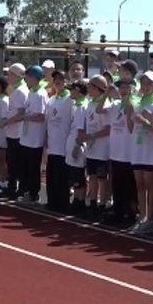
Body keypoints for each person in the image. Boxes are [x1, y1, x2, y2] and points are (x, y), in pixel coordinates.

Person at [128, 71, 153, 234]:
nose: (145, 86)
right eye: (143, 83)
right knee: (139, 184)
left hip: (151, 149)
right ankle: (142, 216)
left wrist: (146, 121)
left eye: (148, 84)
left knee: (151, 184)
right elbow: (131, 129)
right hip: (137, 148)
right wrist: (130, 115)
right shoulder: (137, 103)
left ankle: (150, 218)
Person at [106, 76, 138, 226]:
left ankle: (131, 214)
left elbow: (132, 129)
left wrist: (129, 106)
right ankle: (118, 211)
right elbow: (100, 109)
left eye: (127, 87)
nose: (123, 90)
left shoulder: (135, 104)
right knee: (117, 184)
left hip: (128, 153)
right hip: (115, 152)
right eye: (121, 87)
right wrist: (107, 93)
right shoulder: (115, 104)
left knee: (129, 186)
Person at [18, 65, 48, 203]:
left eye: (28, 76)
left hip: (35, 138)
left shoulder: (40, 94)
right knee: (25, 166)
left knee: (33, 168)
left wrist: (25, 117)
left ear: (35, 78)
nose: (26, 78)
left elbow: (41, 116)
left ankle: (33, 194)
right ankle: (26, 191)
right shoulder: (32, 92)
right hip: (26, 136)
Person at [84, 75, 113, 215]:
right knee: (92, 176)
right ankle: (93, 203)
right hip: (91, 147)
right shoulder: (90, 102)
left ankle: (102, 204)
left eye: (90, 85)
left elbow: (108, 128)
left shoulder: (106, 104)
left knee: (102, 177)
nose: (88, 87)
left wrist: (92, 136)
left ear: (97, 88)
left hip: (102, 148)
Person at [45, 71, 73, 212]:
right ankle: (52, 201)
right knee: (52, 176)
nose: (58, 81)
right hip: (53, 145)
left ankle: (63, 203)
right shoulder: (51, 99)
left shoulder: (70, 99)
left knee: (63, 177)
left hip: (64, 146)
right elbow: (48, 121)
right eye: (56, 79)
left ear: (67, 82)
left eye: (61, 79)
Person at [0, 64, 29, 198]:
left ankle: (18, 189)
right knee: (11, 162)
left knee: (16, 163)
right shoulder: (14, 89)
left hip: (17, 133)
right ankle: (12, 187)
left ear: (16, 75)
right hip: (12, 132)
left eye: (10, 74)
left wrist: (6, 122)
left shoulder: (20, 91)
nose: (7, 76)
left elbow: (21, 114)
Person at [65, 80, 89, 212]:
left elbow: (81, 130)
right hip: (75, 142)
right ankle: (77, 200)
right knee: (76, 175)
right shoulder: (79, 105)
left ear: (78, 91)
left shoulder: (81, 107)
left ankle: (79, 202)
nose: (70, 92)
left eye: (72, 89)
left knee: (78, 175)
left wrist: (77, 146)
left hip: (78, 145)